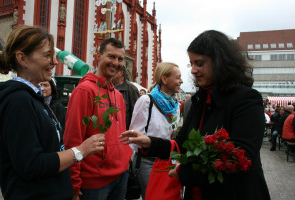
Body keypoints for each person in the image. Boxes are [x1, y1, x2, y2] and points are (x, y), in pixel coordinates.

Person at [120, 30, 270, 200]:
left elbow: (241, 157)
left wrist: (184, 172)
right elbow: (181, 144)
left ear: (220, 61)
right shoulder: (201, 99)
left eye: (199, 63)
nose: (193, 70)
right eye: (191, 63)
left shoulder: (246, 99)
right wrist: (150, 143)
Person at [0, 25, 105, 200]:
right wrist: (80, 151)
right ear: (22, 58)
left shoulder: (33, 97)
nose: (54, 62)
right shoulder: (19, 101)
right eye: (47, 55)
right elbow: (31, 165)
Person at [63, 38, 132, 200]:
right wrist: (74, 183)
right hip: (94, 182)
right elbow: (73, 139)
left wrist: (126, 157)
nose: (116, 63)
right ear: (98, 56)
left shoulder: (117, 95)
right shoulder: (85, 91)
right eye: (111, 56)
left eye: (120, 59)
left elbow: (119, 133)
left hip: (121, 175)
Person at [129, 62, 183, 199]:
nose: (181, 81)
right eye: (177, 77)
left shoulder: (174, 105)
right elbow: (134, 137)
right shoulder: (146, 101)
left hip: (168, 161)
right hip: (148, 163)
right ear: (164, 79)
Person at [112, 65, 140, 130]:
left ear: (121, 73)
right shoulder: (110, 87)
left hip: (125, 131)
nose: (112, 72)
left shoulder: (132, 89)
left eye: (115, 70)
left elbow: (136, 114)